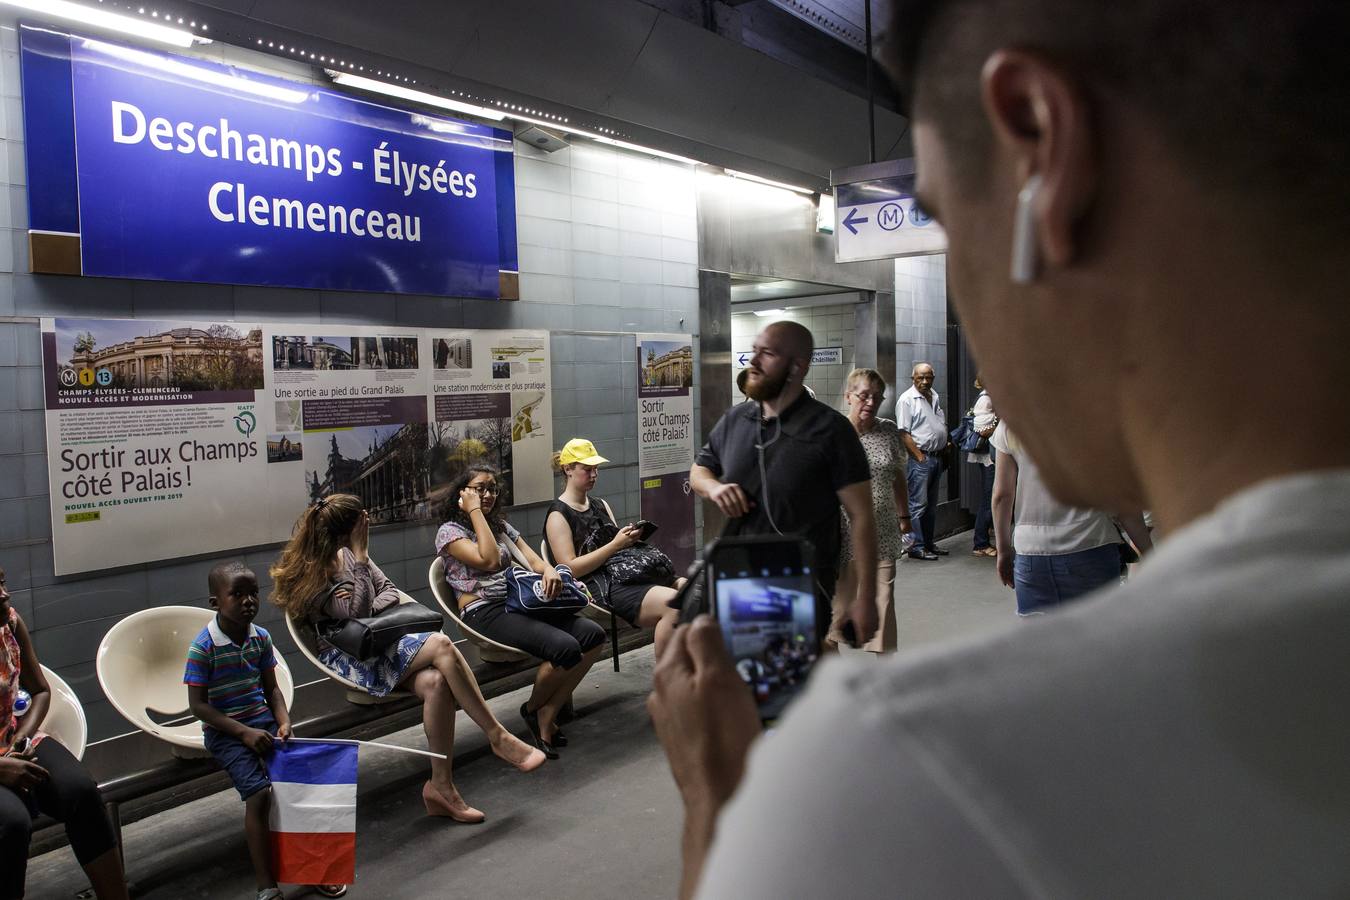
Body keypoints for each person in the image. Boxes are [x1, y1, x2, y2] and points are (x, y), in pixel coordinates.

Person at [649, 2, 1350, 895]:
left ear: (1044, 153)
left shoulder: (900, 777)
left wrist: (723, 804)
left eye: (949, 217)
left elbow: (864, 521)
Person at [271, 494, 544, 824]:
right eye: (362, 525)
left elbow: (385, 592)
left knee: (436, 681)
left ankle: (441, 787)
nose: (367, 528)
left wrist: (362, 599)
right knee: (442, 646)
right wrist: (361, 561)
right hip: (349, 657)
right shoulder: (313, 571)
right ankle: (498, 737)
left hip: (379, 644)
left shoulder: (345, 556)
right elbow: (356, 614)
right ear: (347, 531)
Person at [689, 320, 879, 643]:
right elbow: (699, 471)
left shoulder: (831, 431)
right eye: (754, 351)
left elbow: (862, 516)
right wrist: (715, 487)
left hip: (797, 584)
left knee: (776, 684)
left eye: (768, 354)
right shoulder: (736, 420)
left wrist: (867, 598)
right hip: (735, 575)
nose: (754, 361)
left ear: (796, 367)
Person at [185, 562, 346, 900]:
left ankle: (316, 868)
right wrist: (243, 733)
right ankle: (266, 884)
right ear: (215, 601)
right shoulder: (203, 647)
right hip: (226, 733)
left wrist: (284, 721)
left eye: (253, 593)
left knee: (301, 786)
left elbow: (272, 690)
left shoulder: (261, 638)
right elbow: (199, 706)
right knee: (259, 796)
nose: (248, 601)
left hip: (264, 722)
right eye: (237, 594)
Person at [435, 466, 605, 759]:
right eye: (478, 489)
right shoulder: (449, 532)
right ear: (462, 493)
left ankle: (546, 712)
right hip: (484, 612)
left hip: (519, 602)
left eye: (492, 489)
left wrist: (549, 571)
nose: (487, 495)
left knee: (592, 634)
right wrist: (475, 513)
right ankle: (532, 709)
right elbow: (488, 560)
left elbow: (532, 559)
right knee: (564, 648)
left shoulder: (499, 525)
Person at [0, 565, 128, 900]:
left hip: (11, 739)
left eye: (2, 581)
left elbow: (40, 691)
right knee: (11, 824)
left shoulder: (10, 623)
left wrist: (19, 742)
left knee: (81, 792)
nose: (4, 594)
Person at [990, 423, 1151, 615]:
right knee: (1095, 639)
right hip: (1089, 547)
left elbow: (1002, 495)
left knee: (1038, 639)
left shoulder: (1011, 419)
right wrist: (1149, 552)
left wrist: (1004, 551)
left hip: (1030, 555)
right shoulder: (1094, 416)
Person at [543, 438, 682, 656]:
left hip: (621, 575)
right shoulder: (558, 515)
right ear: (568, 469)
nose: (594, 475)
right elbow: (569, 569)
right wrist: (615, 544)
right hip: (598, 586)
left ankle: (691, 668)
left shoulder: (600, 505)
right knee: (673, 604)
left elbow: (618, 553)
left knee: (690, 589)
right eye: (587, 469)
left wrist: (628, 540)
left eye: (596, 469)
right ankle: (668, 679)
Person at [825, 369, 910, 654]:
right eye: (864, 396)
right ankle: (833, 679)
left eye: (877, 397)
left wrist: (905, 515)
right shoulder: (833, 433)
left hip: (883, 531)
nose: (871, 403)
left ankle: (885, 681)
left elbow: (898, 476)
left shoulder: (888, 431)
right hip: (842, 535)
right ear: (849, 396)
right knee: (838, 609)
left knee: (883, 604)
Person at [897, 362, 951, 560]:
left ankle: (928, 543)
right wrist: (919, 458)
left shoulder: (934, 395)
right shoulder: (907, 400)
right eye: (920, 377)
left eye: (928, 377)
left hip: (936, 458)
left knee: (930, 506)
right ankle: (915, 547)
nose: (925, 381)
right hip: (921, 459)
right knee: (917, 506)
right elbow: (903, 433)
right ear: (913, 379)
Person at [968, 375, 999, 557]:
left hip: (992, 457)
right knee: (989, 500)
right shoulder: (986, 399)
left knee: (991, 498)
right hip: (989, 458)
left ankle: (985, 535)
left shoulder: (992, 397)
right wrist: (1002, 421)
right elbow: (982, 430)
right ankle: (980, 544)